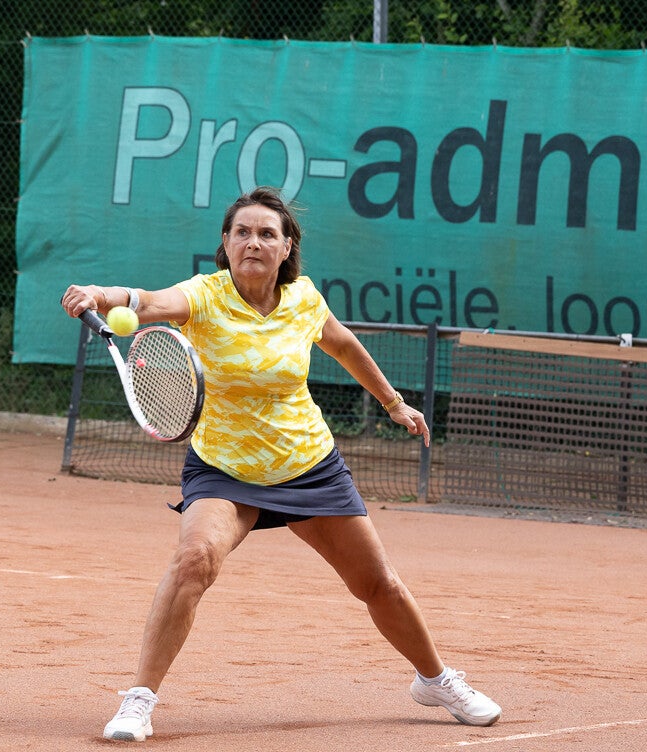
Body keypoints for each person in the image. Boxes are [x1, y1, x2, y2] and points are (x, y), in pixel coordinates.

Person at [60, 187, 501, 742]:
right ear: (225, 242)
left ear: (286, 246)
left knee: (377, 583)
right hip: (223, 469)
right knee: (194, 559)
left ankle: (435, 681)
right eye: (242, 232)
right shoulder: (204, 295)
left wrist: (393, 403)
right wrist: (101, 294)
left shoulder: (304, 299)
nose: (254, 242)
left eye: (267, 233)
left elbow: (343, 345)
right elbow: (145, 301)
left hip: (307, 465)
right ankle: (139, 699)